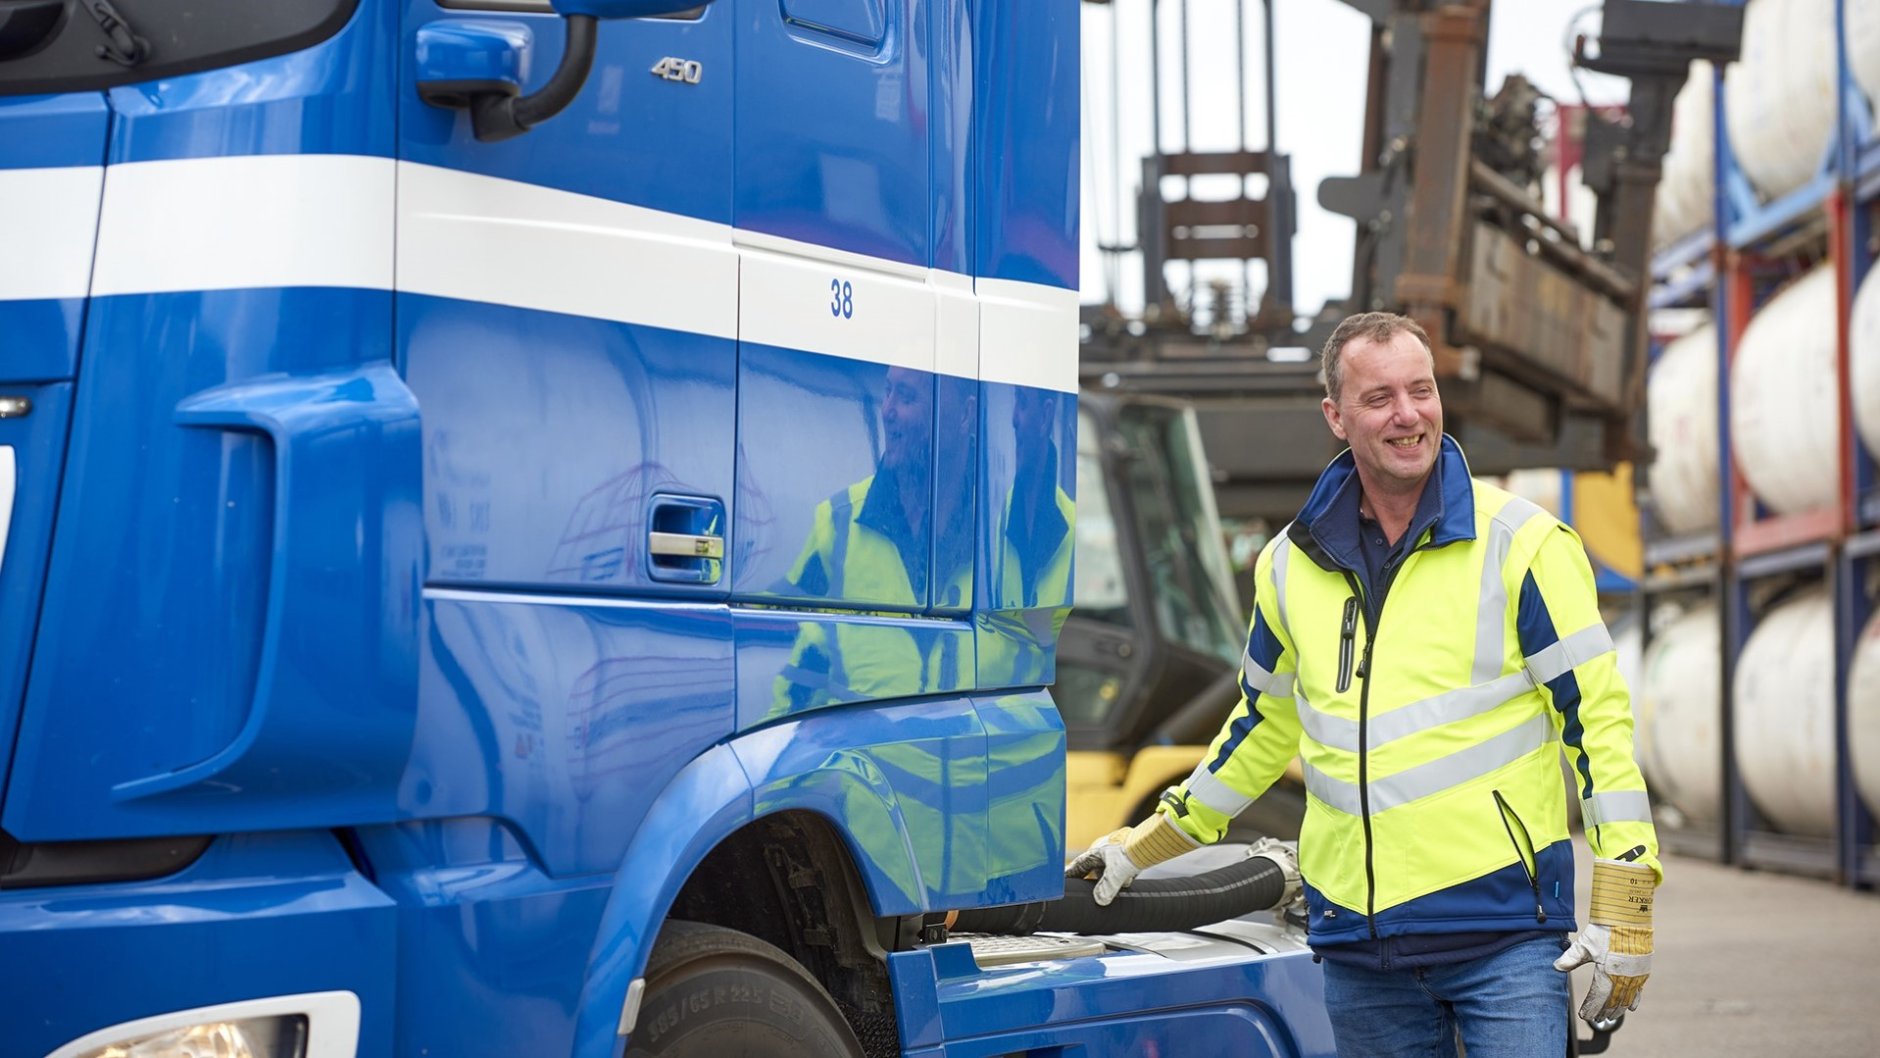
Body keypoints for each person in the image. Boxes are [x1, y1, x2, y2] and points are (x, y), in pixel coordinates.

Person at [1069, 312, 1660, 1057]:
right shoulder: (1288, 564)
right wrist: (1140, 846)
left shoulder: (1523, 544)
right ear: (1336, 416)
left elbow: (1596, 724)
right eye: (1379, 398)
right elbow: (1258, 730)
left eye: (1422, 390)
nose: (1408, 414)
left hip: (1502, 936)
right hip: (1359, 952)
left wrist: (1626, 891)